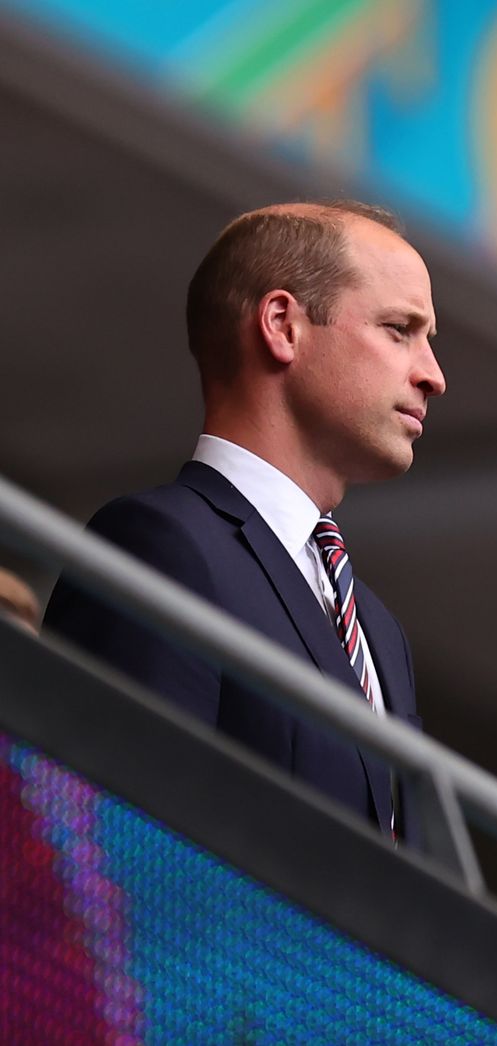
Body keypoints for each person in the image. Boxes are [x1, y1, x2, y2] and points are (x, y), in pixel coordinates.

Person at [44, 200, 444, 843]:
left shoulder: (381, 633)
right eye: (399, 329)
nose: (434, 375)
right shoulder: (161, 545)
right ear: (283, 325)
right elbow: (116, 850)